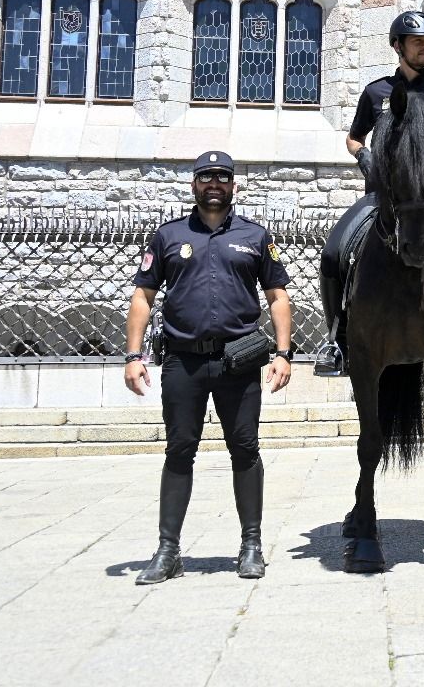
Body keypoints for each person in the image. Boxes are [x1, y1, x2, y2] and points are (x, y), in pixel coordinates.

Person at [124, 151, 294, 585]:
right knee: (179, 450)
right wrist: (132, 355)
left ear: (233, 185)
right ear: (194, 185)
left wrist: (283, 353)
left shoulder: (255, 237)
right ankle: (168, 550)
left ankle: (251, 545)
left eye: (222, 177)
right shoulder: (168, 236)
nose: (214, 184)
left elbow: (277, 296)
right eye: (206, 178)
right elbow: (143, 296)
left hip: (238, 361)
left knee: (245, 449)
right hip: (184, 360)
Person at [318, 10, 424, 379]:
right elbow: (353, 137)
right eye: (418, 43)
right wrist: (363, 155)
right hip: (383, 199)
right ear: (398, 45)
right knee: (334, 250)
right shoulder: (376, 93)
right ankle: (335, 339)